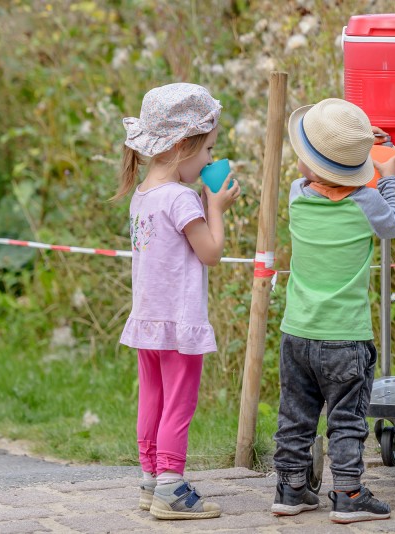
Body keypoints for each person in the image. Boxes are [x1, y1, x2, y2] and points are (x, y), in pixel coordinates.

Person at [271, 98, 395, 524]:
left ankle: (291, 489)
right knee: (346, 419)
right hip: (345, 338)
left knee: (295, 414)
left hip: (297, 333)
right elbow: (394, 224)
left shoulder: (296, 196)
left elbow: (313, 176)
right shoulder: (366, 204)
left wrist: (354, 154)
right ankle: (348, 493)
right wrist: (390, 178)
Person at [114, 83, 240, 520]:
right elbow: (211, 253)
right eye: (207, 148)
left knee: (151, 398)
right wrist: (217, 206)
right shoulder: (182, 198)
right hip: (179, 322)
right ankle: (172, 486)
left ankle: (150, 479)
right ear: (183, 145)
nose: (209, 158)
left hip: (148, 320)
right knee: (179, 404)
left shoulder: (143, 195)